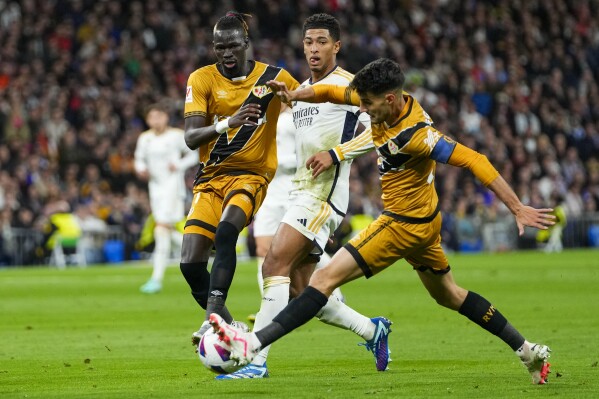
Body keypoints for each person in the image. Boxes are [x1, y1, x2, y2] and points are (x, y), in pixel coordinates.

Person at [209, 58, 556, 385]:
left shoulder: (417, 135)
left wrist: (516, 207)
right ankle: (527, 351)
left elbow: (474, 159)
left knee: (323, 280)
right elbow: (332, 91)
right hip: (426, 222)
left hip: (401, 224)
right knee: (450, 295)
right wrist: (296, 94)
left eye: (369, 105)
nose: (362, 110)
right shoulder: (385, 102)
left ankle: (252, 347)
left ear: (390, 100)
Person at [218, 14, 390, 380]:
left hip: (322, 196)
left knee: (273, 264)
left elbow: (379, 130)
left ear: (336, 46)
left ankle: (256, 360)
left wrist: (336, 153)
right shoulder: (300, 92)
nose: (314, 48)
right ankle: (373, 331)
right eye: (309, 41)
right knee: (303, 291)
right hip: (300, 191)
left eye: (322, 42)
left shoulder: (349, 86)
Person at [179, 11, 300, 343]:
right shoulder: (201, 79)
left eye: (232, 46)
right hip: (210, 179)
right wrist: (227, 123)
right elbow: (191, 138)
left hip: (252, 175)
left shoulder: (274, 78)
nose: (226, 54)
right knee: (189, 264)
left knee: (227, 230)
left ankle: (211, 318)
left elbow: (308, 107)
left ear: (247, 43)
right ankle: (229, 327)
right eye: (219, 48)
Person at [134, 103, 198, 294]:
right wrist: (140, 169)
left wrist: (178, 165)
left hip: (172, 187)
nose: (155, 120)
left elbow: (193, 155)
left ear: (165, 117)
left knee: (161, 229)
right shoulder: (144, 138)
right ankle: (197, 249)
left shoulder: (176, 136)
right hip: (155, 188)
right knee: (163, 231)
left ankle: (156, 278)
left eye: (159, 116)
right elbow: (138, 159)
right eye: (152, 117)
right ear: (147, 120)